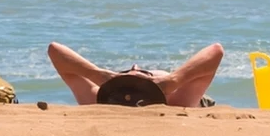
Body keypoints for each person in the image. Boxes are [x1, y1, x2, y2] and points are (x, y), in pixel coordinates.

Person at [47, 41, 223, 107]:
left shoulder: (96, 99)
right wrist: (172, 81)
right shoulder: (176, 99)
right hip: (192, 94)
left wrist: (100, 76)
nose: (135, 66)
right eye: (140, 72)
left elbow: (55, 50)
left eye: (125, 74)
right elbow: (215, 51)